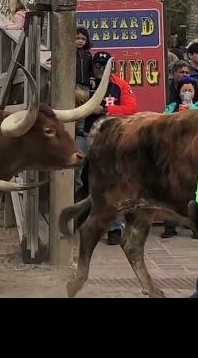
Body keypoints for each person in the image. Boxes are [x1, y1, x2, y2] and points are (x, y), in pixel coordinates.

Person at [83, 51, 139, 245]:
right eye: (97, 65)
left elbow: (131, 108)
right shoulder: (85, 82)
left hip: (110, 139)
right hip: (84, 135)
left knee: (110, 182)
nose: (100, 69)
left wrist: (107, 110)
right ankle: (80, 222)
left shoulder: (119, 84)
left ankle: (115, 228)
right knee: (76, 179)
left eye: (104, 66)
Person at [162, 76, 198, 239]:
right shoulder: (171, 107)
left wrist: (192, 112)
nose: (187, 93)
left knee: (194, 192)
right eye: (184, 90)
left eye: (190, 90)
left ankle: (197, 227)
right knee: (171, 191)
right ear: (178, 92)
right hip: (174, 155)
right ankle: (170, 226)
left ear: (196, 92)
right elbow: (163, 127)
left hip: (196, 156)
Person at [73, 27, 93, 202]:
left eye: (83, 39)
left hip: (86, 88)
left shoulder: (88, 56)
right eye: (77, 38)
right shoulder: (68, 54)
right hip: (71, 86)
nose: (80, 41)